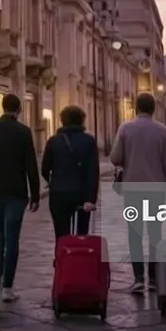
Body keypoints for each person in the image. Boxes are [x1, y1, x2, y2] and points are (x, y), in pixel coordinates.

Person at [109, 92, 166, 295]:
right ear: (153, 109)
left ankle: (138, 278)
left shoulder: (125, 128)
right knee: (155, 234)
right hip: (156, 191)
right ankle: (155, 278)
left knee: (134, 234)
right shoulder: (163, 131)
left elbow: (115, 158)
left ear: (136, 107)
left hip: (132, 190)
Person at [0, 93, 40, 302]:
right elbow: (31, 165)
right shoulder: (23, 132)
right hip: (16, 194)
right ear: (19, 109)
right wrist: (35, 195)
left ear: (2, 107)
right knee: (12, 240)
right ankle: (7, 287)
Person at [41, 105, 100, 247]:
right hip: (81, 194)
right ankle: (79, 262)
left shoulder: (53, 141)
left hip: (59, 193)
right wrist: (91, 199)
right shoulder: (89, 141)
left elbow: (44, 168)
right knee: (81, 234)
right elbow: (93, 172)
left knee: (61, 234)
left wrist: (51, 180)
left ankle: (62, 262)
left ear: (62, 121)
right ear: (82, 121)